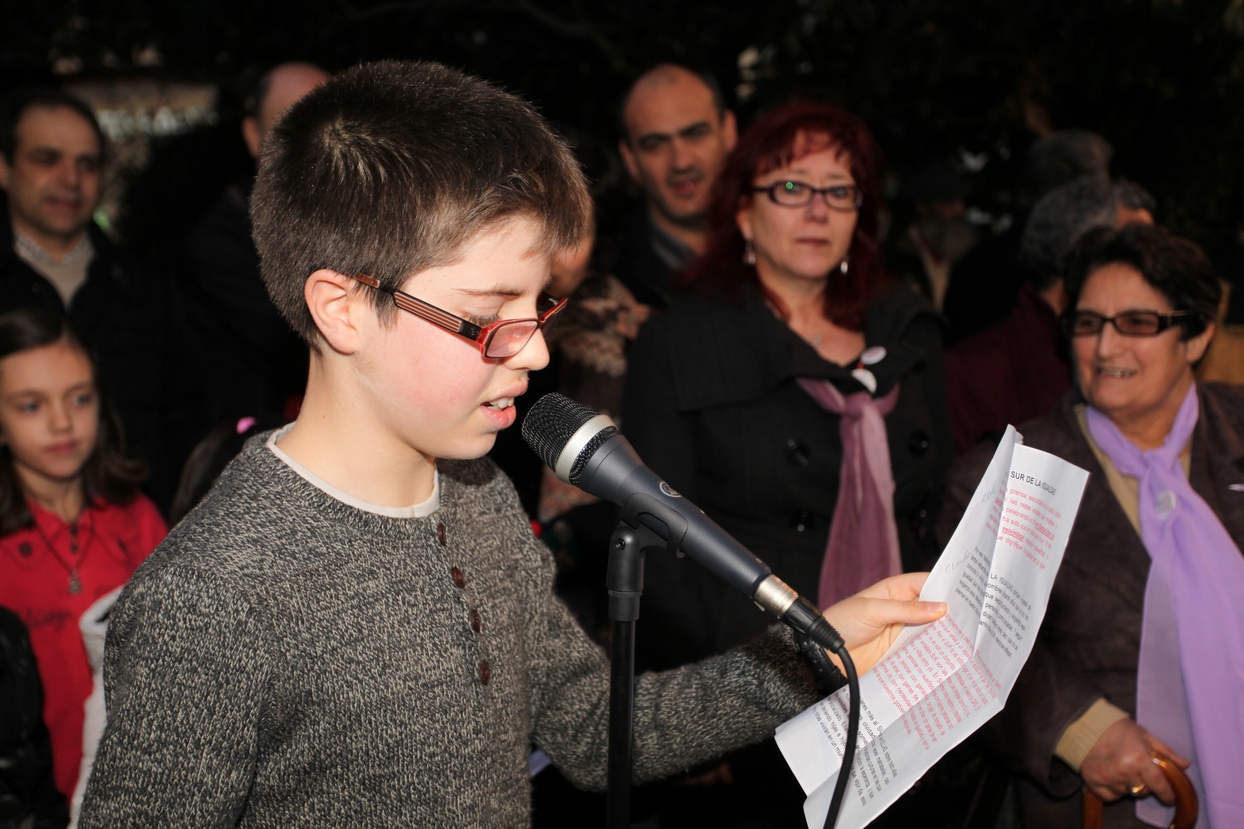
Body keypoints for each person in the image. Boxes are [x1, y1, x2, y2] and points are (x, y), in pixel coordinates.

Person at [74, 61, 945, 828]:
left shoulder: (477, 489)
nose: (532, 350)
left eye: (538, 307)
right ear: (342, 308)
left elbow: (590, 726)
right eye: (488, 318)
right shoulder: (212, 596)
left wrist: (815, 649)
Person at [621, 100, 954, 826]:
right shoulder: (681, 342)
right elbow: (660, 550)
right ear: (742, 212)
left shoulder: (905, 326)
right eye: (790, 187)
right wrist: (708, 709)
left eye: (839, 190)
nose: (817, 209)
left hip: (914, 677)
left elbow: (945, 495)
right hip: (762, 685)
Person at [940, 223, 1244, 828]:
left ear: (1197, 334)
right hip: (1113, 807)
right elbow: (965, 646)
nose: (1105, 349)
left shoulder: (1237, 431)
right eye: (1087, 323)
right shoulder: (1011, 480)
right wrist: (1080, 730)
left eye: (1136, 323)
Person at [0, 88, 200, 512]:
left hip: (140, 540)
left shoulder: (145, 286)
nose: (70, 179)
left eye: (86, 164)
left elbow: (185, 418)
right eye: (47, 159)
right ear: (4, 167)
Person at [0, 307, 166, 805]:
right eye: (30, 406)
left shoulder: (135, 516)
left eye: (79, 398)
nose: (61, 422)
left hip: (133, 788)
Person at [944, 176, 1155, 455]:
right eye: (1134, 250)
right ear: (1080, 257)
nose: (1154, 266)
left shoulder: (1149, 355)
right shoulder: (974, 374)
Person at [183, 62, 330, 427]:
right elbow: (302, 350)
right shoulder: (221, 243)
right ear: (253, 136)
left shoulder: (378, 219)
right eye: (292, 124)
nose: (315, 140)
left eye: (329, 121)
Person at [613, 63, 737, 308]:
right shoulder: (615, 293)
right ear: (630, 160)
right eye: (655, 144)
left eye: (695, 134)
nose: (681, 162)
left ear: (729, 132)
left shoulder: (790, 247)